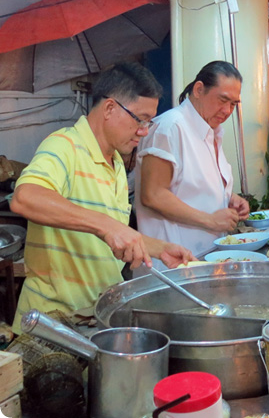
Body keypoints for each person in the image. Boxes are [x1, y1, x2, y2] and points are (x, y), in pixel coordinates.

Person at [9, 62, 194, 332]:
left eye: (148, 122)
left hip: (96, 316)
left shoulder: (117, 163)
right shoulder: (64, 145)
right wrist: (106, 225)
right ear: (109, 108)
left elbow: (112, 233)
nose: (143, 131)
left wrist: (160, 248)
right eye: (140, 119)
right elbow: (25, 197)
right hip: (54, 324)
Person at [134, 61, 250, 268]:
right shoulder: (169, 127)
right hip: (172, 266)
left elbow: (189, 185)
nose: (227, 110)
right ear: (198, 89)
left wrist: (227, 197)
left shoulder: (212, 130)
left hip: (205, 258)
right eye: (223, 100)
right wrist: (210, 220)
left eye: (233, 104)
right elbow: (153, 195)